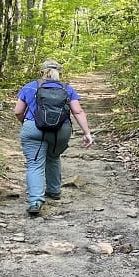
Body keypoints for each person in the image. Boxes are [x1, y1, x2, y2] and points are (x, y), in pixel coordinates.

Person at [13, 60, 94, 215]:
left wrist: (26, 123)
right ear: (59, 73)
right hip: (60, 132)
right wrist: (87, 133)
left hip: (33, 129)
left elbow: (18, 111)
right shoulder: (67, 89)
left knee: (34, 164)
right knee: (54, 156)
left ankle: (36, 201)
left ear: (41, 72)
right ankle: (54, 191)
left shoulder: (30, 86)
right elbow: (77, 112)